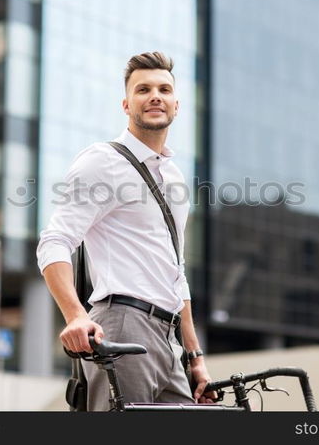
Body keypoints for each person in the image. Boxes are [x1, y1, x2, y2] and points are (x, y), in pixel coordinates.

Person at [37, 51, 214, 410]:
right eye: (143, 89)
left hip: (168, 339)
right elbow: (54, 242)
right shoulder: (103, 161)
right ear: (126, 103)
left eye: (164, 89)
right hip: (122, 324)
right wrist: (75, 314)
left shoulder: (175, 179)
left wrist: (194, 355)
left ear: (176, 106)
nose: (155, 96)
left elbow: (176, 274)